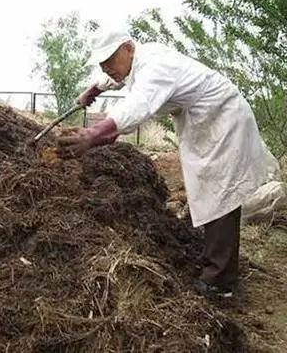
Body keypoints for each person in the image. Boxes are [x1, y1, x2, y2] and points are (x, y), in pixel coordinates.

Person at [57, 29, 271, 299]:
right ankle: (207, 253)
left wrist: (92, 134)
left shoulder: (156, 66)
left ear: (128, 48)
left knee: (221, 193)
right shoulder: (133, 62)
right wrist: (93, 88)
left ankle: (220, 282)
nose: (107, 68)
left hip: (223, 116)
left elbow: (138, 104)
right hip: (205, 120)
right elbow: (114, 77)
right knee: (207, 188)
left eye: (109, 60)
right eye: (102, 64)